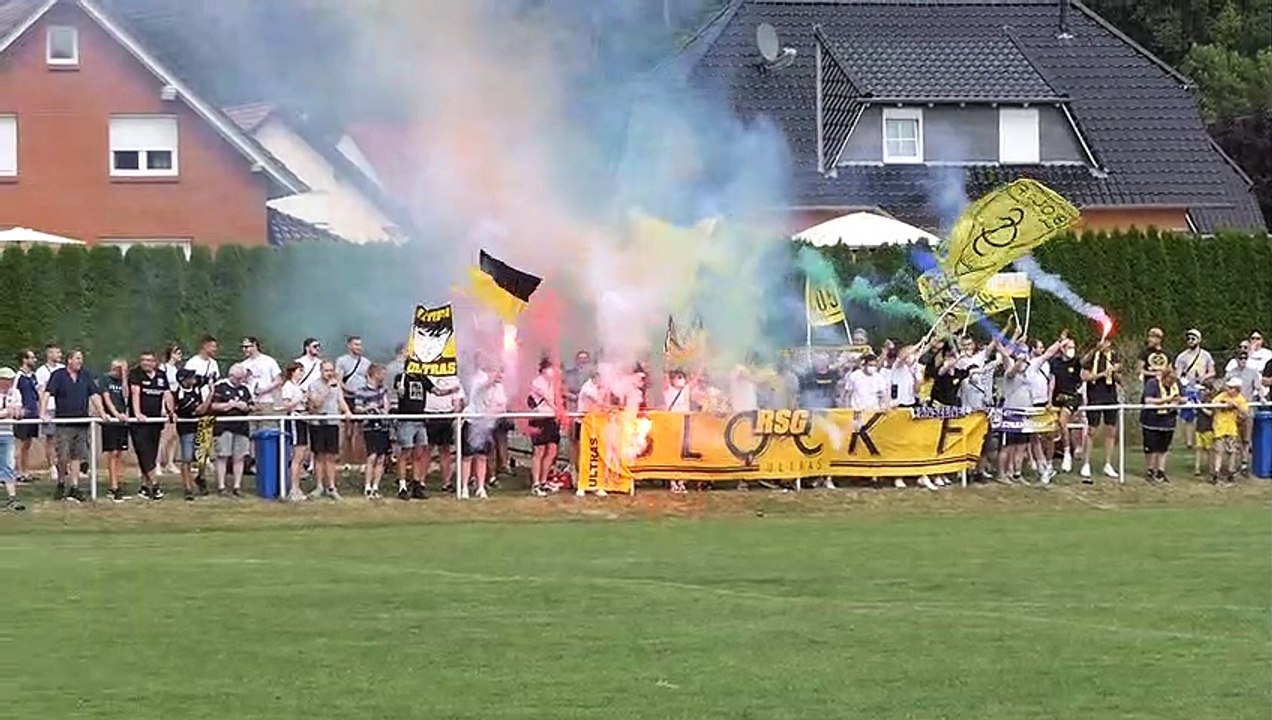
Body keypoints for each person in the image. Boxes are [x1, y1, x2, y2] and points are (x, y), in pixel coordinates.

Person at [40, 350, 100, 502]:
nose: (80, 361)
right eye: (78, 358)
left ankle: (74, 487)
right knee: (63, 456)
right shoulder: (58, 375)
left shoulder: (85, 375)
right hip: (64, 423)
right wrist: (43, 413)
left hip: (81, 423)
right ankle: (61, 483)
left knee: (77, 456)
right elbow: (47, 394)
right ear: (69, 360)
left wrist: (102, 412)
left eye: (81, 359)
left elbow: (94, 395)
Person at [129, 350, 173, 500]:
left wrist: (170, 411)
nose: (146, 363)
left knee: (151, 454)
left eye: (149, 360)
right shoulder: (135, 373)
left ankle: (144, 486)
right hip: (140, 423)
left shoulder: (161, 375)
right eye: (143, 360)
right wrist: (137, 413)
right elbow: (135, 393)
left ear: (155, 362)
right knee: (144, 452)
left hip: (155, 421)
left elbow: (167, 394)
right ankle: (155, 484)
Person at [306, 360, 350, 499]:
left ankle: (331, 487)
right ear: (321, 371)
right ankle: (319, 486)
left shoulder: (336, 386)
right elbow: (316, 404)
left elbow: (340, 400)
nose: (329, 373)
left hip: (332, 422)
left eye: (331, 370)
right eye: (326, 370)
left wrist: (347, 411)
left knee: (331, 456)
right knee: (319, 456)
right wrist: (327, 389)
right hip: (318, 423)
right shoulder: (313, 385)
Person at [1079, 339, 1121, 482]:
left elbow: (1121, 379)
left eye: (1108, 342)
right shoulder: (1092, 357)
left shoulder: (1114, 357)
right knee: (1092, 430)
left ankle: (1108, 463)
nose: (1106, 344)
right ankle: (1086, 463)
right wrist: (1102, 374)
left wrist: (1114, 372)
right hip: (1095, 395)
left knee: (1111, 430)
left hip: (1111, 395)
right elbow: (1084, 376)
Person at [210, 364, 253, 497]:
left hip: (241, 427)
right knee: (223, 456)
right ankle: (221, 486)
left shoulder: (244, 389)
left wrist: (245, 406)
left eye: (242, 378)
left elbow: (251, 405)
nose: (240, 381)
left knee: (239, 457)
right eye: (238, 378)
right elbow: (213, 405)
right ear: (231, 376)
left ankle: (237, 486)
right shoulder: (220, 387)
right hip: (224, 427)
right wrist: (230, 405)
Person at [184, 335, 220, 486]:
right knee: (192, 443)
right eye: (212, 346)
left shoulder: (214, 364)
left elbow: (216, 382)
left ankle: (201, 475)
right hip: (195, 405)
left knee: (205, 443)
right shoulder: (193, 363)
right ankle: (190, 478)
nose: (215, 349)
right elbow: (186, 382)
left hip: (209, 405)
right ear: (204, 346)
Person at [463, 364, 502, 499]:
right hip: (472, 422)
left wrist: (495, 410)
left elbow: (502, 405)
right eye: (497, 372)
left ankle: (480, 487)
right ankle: (464, 488)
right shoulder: (478, 380)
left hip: (486, 425)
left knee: (482, 457)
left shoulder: (499, 388)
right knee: (467, 457)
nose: (499, 376)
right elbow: (482, 387)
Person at [421, 374, 464, 496]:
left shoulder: (454, 378)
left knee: (445, 450)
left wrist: (455, 413)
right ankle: (421, 481)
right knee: (426, 449)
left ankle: (447, 482)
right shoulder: (426, 377)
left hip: (446, 416)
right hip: (430, 415)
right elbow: (436, 392)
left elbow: (457, 400)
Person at [172, 368, 211, 501]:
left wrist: (210, 378)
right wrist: (211, 394)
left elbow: (206, 379)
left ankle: (200, 477)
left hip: (200, 426)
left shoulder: (196, 386)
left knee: (202, 457)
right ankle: (188, 488)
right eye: (190, 377)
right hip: (187, 428)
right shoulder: (180, 395)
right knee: (187, 458)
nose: (194, 379)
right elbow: (200, 410)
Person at [354, 363, 391, 499]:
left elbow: (386, 407)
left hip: (383, 426)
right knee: (372, 456)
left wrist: (383, 409)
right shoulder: (361, 391)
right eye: (381, 373)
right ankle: (367, 486)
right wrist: (369, 407)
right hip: (370, 426)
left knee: (381, 457)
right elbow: (357, 408)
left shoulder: (383, 390)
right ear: (374, 374)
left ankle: (376, 487)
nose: (383, 377)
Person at [1174, 329, 1215, 451]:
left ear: (1199, 340)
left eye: (1193, 338)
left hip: (1202, 389)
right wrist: (1182, 382)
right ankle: (1189, 442)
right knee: (1188, 416)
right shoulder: (1182, 356)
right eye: (1188, 339)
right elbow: (1178, 374)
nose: (1190, 341)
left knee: (1204, 414)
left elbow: (1212, 371)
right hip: (1188, 388)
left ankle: (1203, 438)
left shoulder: (1206, 355)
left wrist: (1204, 377)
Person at [1140, 365, 1182, 483]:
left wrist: (1179, 400)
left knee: (1163, 448)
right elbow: (1148, 400)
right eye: (1169, 380)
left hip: (1169, 420)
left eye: (1173, 380)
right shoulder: (1152, 383)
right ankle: (1150, 470)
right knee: (1151, 447)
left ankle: (1161, 471)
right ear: (1164, 377)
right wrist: (1166, 400)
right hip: (1152, 420)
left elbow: (1184, 398)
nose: (1171, 383)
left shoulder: (1176, 384)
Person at [527, 357, 562, 497]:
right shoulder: (537, 382)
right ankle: (535, 483)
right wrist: (557, 410)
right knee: (539, 451)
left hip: (551, 419)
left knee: (552, 450)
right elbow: (547, 398)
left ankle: (543, 480)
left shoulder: (553, 384)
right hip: (539, 418)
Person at [99, 359, 132, 502]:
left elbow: (126, 397)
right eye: (118, 368)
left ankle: (118, 482)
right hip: (111, 421)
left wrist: (124, 377)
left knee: (120, 452)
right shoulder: (105, 379)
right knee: (113, 452)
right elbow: (106, 398)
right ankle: (113, 486)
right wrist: (115, 414)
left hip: (123, 421)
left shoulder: (124, 382)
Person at [1049, 335, 1083, 472]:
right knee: (1052, 428)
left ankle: (1067, 452)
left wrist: (1095, 350)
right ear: (1062, 349)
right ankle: (1048, 460)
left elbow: (1086, 360)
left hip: (1072, 397)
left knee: (1063, 420)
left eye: (1073, 347)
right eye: (1069, 347)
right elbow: (1052, 382)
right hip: (1058, 397)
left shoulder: (1076, 361)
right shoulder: (1055, 363)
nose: (1071, 350)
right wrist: (1050, 400)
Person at [278, 362, 310, 501]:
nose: (301, 373)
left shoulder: (298, 387)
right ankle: (293, 489)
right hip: (294, 419)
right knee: (297, 456)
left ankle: (297, 487)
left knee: (302, 455)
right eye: (299, 370)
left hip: (302, 418)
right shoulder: (288, 387)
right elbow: (286, 405)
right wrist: (299, 399)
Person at [335, 335, 369, 464]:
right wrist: (348, 390)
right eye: (356, 344)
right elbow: (339, 380)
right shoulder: (342, 361)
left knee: (360, 430)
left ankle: (360, 459)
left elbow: (368, 379)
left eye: (360, 345)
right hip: (348, 397)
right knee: (347, 430)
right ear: (349, 345)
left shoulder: (366, 362)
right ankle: (346, 459)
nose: (358, 347)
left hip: (361, 398)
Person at [33, 344, 64, 482]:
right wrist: (43, 411)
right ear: (49, 354)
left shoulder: (63, 369)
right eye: (57, 353)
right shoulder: (41, 371)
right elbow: (40, 392)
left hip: (63, 407)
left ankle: (64, 465)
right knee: (50, 439)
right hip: (50, 407)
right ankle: (52, 467)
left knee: (64, 438)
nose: (60, 355)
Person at [1211, 377, 1250, 483]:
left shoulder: (1241, 399)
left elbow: (1246, 414)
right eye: (1228, 387)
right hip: (1219, 428)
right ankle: (1216, 472)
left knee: (1232, 451)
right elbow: (1213, 403)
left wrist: (1236, 406)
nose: (1228, 389)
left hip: (1232, 429)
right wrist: (1225, 404)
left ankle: (1230, 472)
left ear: (1236, 389)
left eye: (1231, 388)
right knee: (1219, 451)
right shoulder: (1222, 396)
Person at [0, 367, 26, 510]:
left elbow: (18, 411)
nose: (9, 382)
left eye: (11, 379)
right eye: (7, 379)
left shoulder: (15, 393)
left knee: (9, 465)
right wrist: (5, 413)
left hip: (7, 433)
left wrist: (19, 413)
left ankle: (12, 499)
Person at [157, 342, 184, 475]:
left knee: (174, 435)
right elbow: (162, 389)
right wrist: (163, 407)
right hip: (165, 402)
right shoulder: (163, 368)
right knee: (164, 436)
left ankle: (170, 462)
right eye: (177, 353)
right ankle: (156, 463)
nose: (180, 355)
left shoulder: (177, 370)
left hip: (175, 401)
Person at [13, 350, 39, 483]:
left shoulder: (33, 376)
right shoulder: (19, 376)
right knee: (20, 444)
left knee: (28, 444)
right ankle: (17, 472)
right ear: (24, 360)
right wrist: (18, 408)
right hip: (23, 416)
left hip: (33, 414)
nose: (34, 360)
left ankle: (25, 471)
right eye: (32, 358)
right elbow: (14, 393)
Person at [1193, 384, 1215, 478]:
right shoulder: (1200, 401)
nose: (1203, 392)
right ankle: (1197, 468)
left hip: (1208, 429)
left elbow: (1210, 413)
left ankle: (1211, 468)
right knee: (1198, 449)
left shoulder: (1212, 402)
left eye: (1205, 390)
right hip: (1199, 428)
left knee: (1209, 450)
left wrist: (1201, 407)